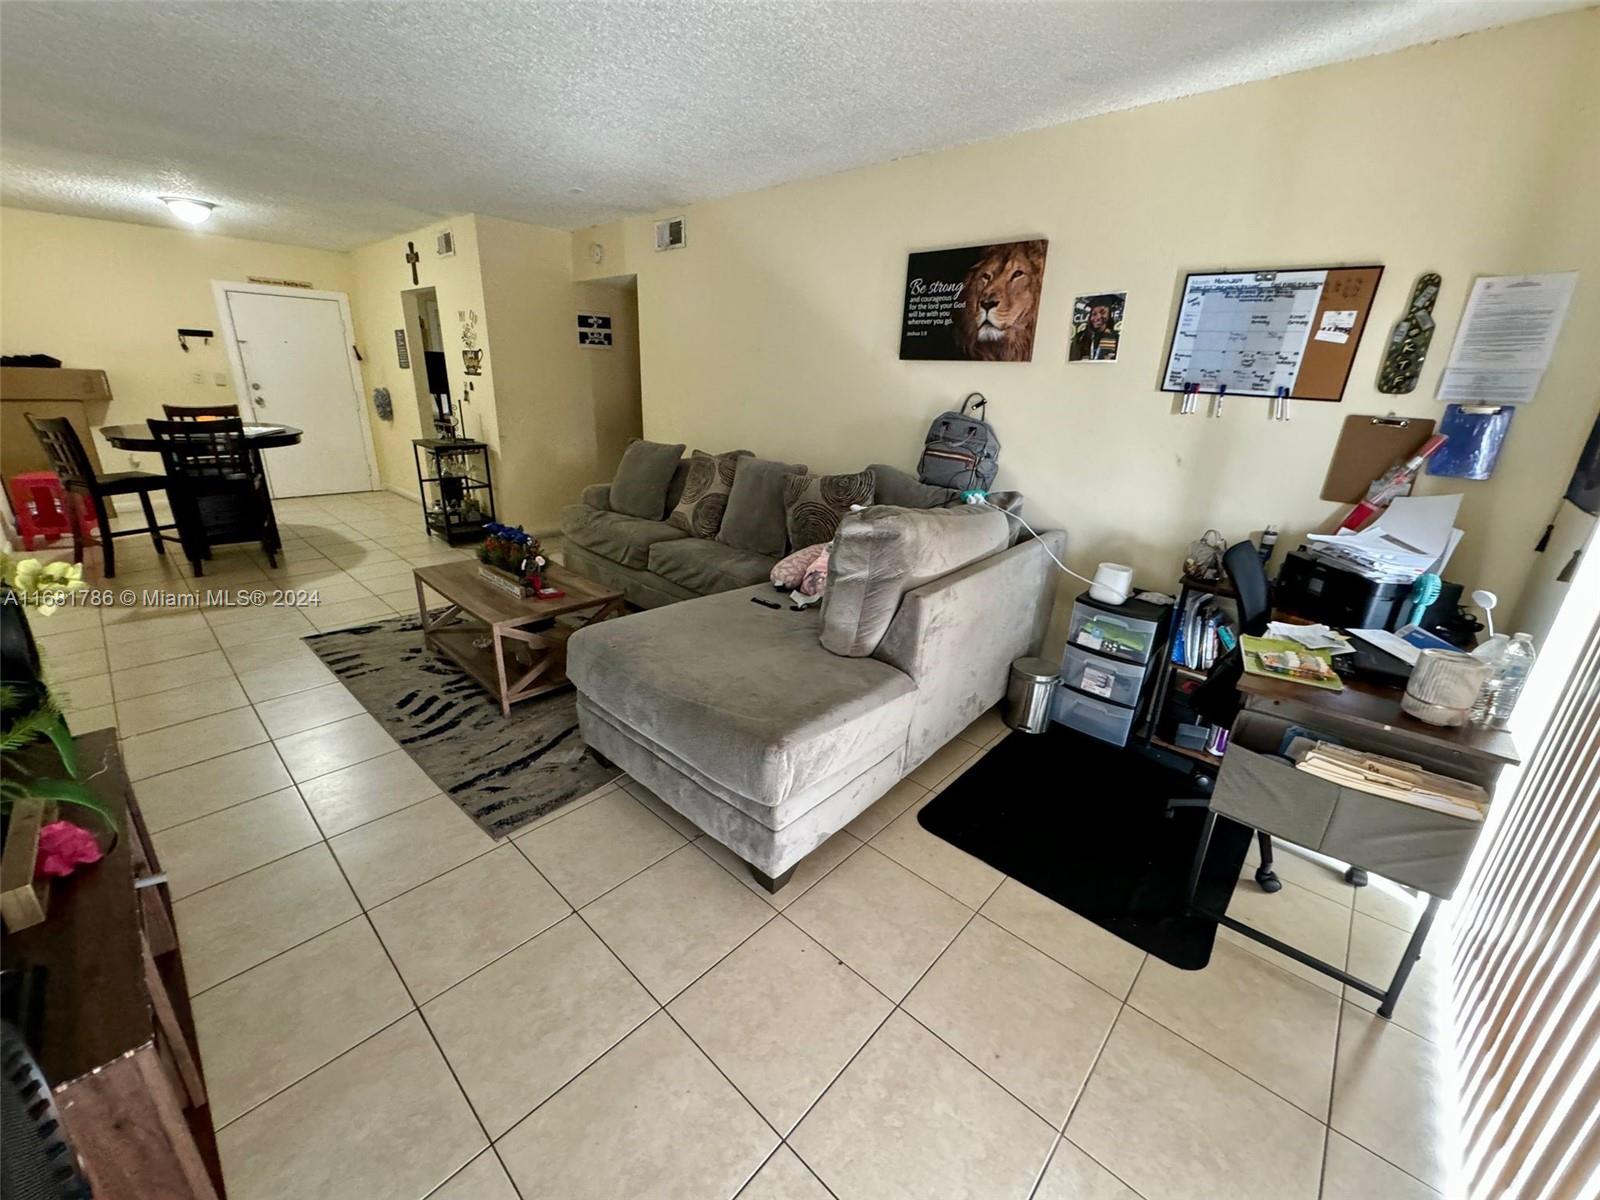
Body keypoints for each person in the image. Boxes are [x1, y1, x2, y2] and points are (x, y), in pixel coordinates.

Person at [1070, 294, 1121, 361]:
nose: (1098, 317)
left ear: (1109, 315)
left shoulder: (1116, 338)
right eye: (1094, 314)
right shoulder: (1080, 338)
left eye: (1103, 312)